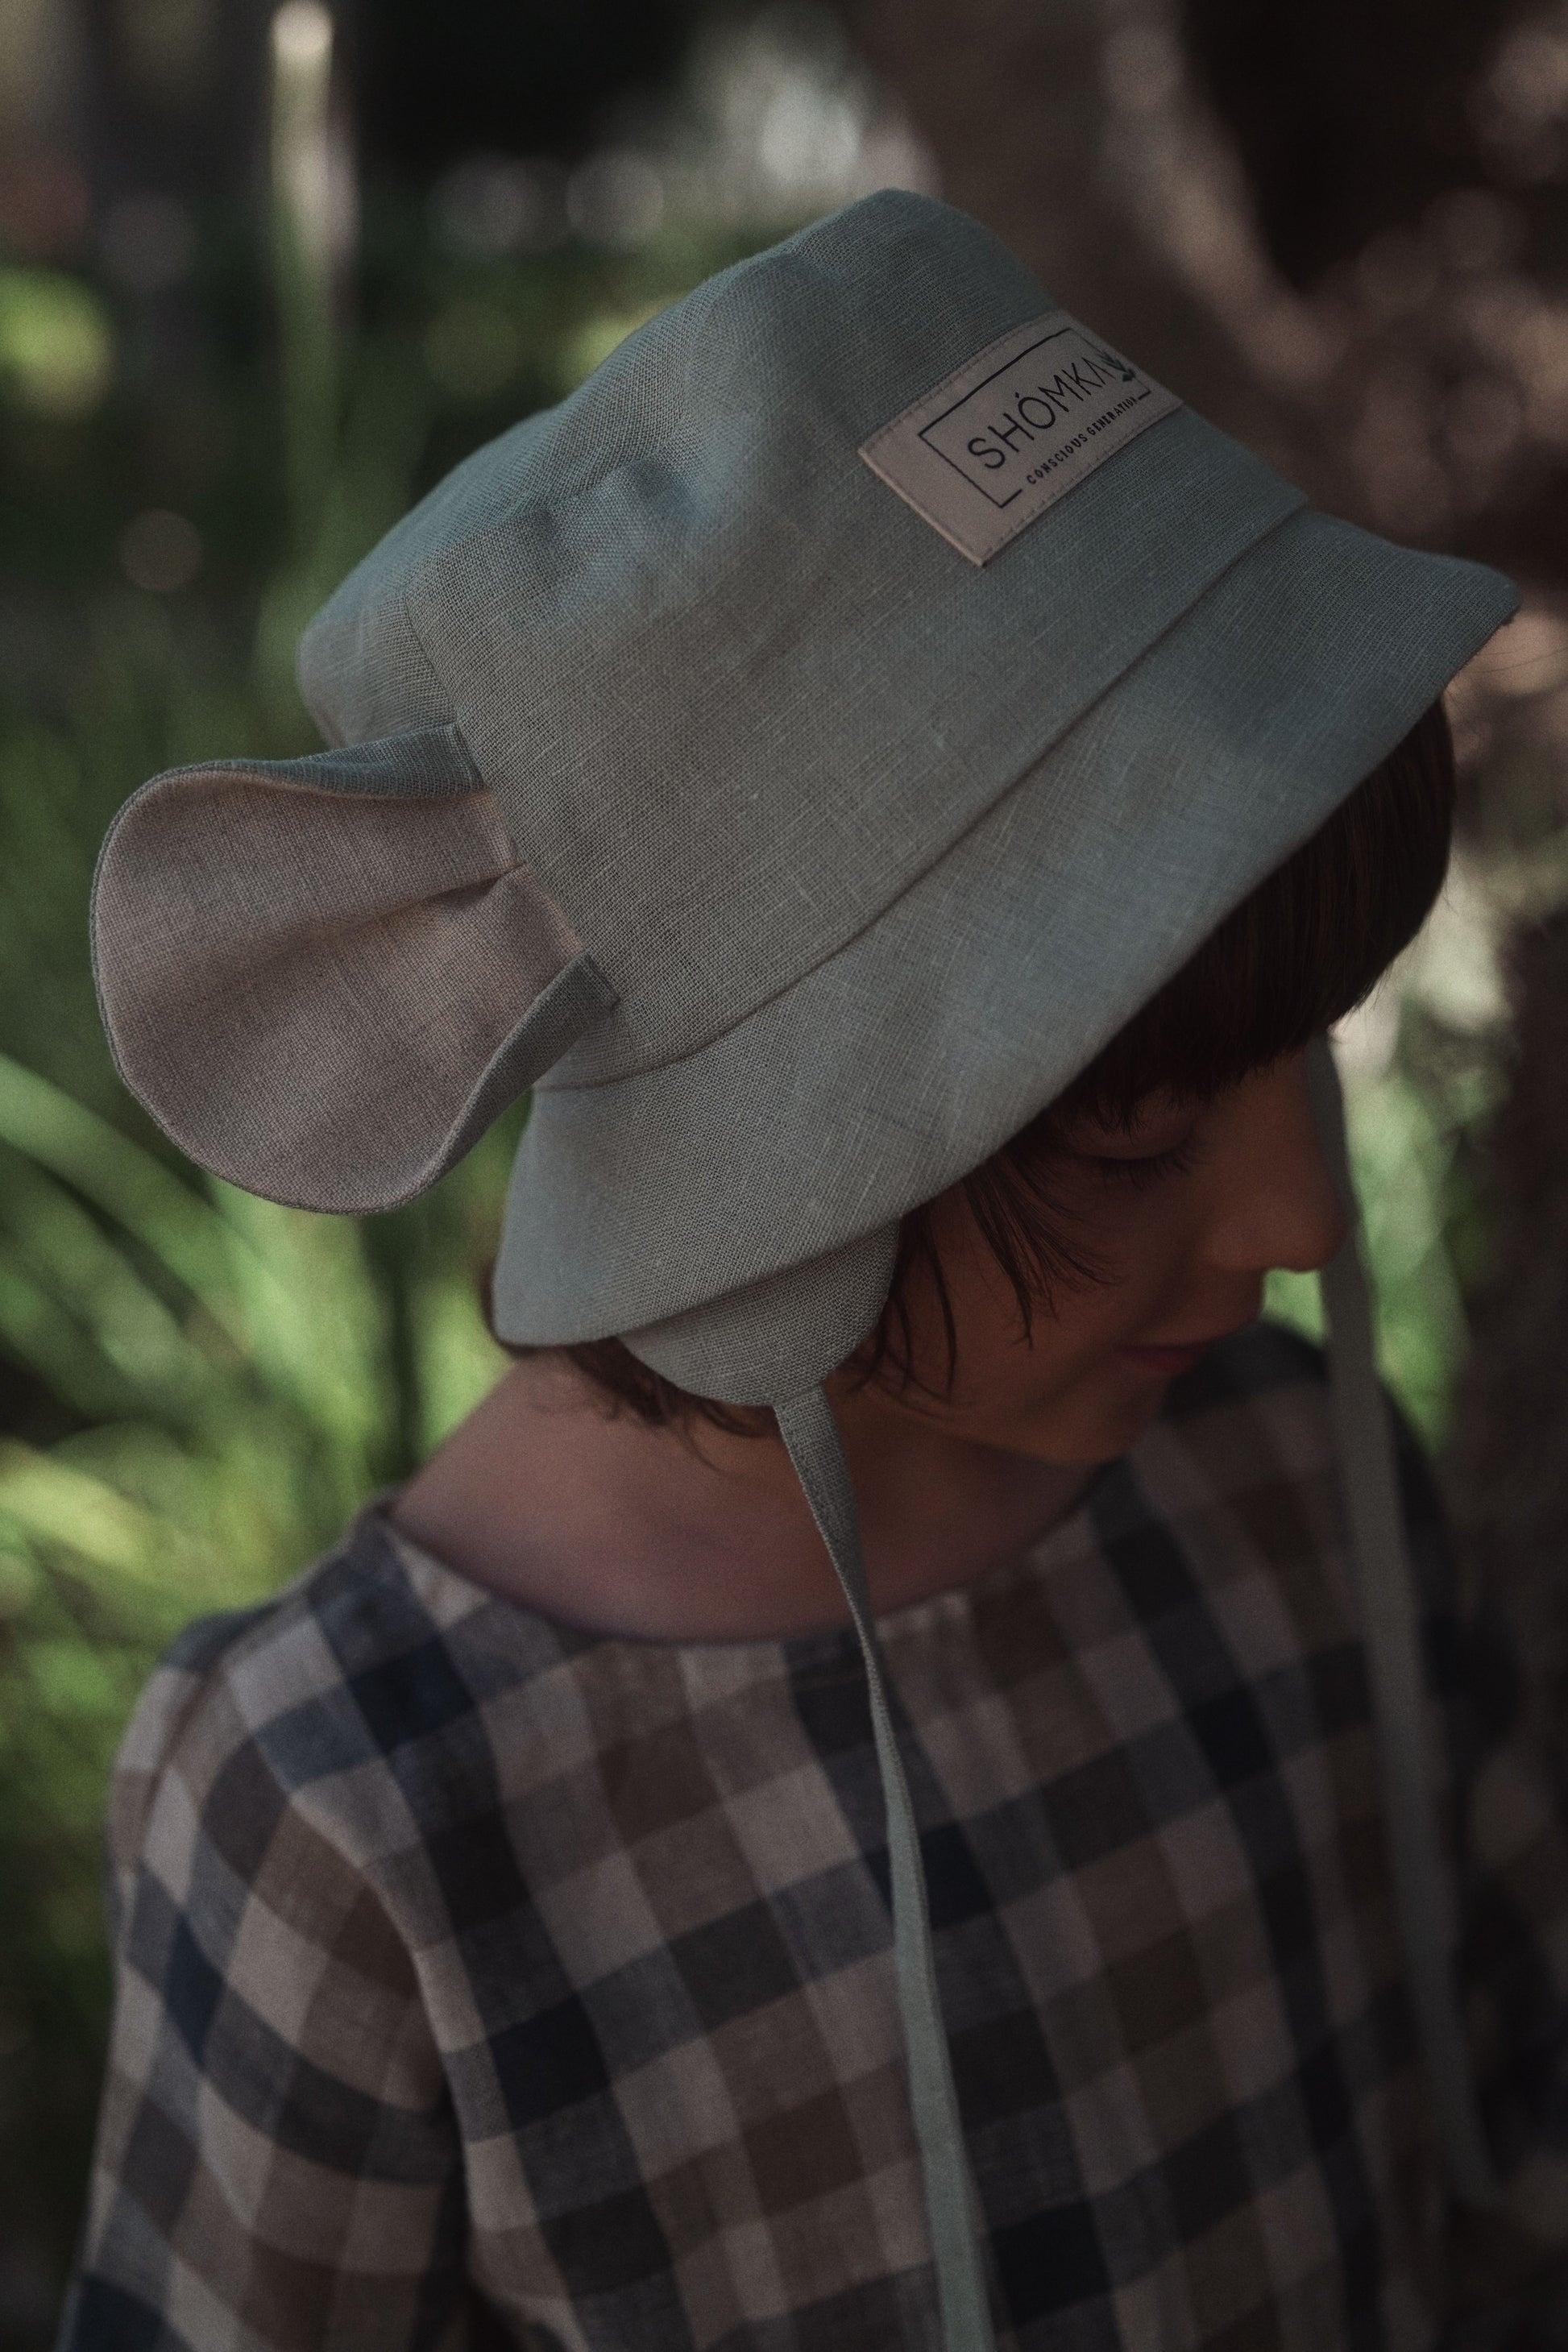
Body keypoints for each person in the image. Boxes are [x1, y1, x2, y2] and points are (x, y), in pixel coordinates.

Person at [59, 193, 1567, 2351]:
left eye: (1301, 1055)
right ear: (766, 1163)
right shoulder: (358, 1809)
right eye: (1135, 1131)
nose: (1303, 1229)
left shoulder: (1282, 1474)